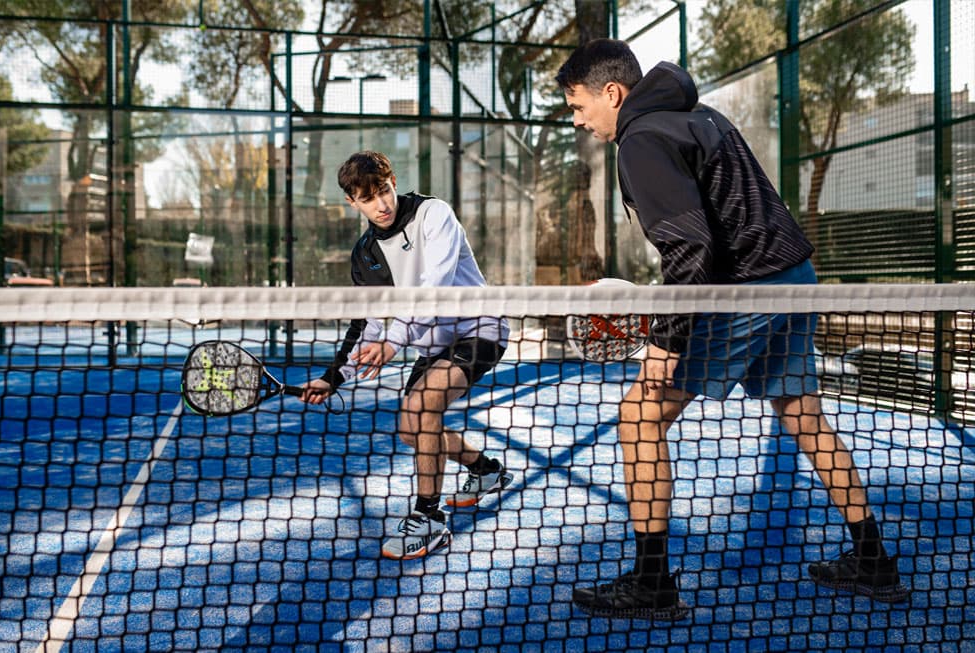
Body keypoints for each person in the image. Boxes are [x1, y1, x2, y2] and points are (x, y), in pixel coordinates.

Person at [556, 40, 910, 620]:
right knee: (802, 415)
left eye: (578, 105)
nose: (578, 119)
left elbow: (693, 246)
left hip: (746, 289)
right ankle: (874, 561)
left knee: (639, 418)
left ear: (612, 93)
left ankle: (652, 584)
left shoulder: (641, 141)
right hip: (794, 275)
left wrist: (664, 341)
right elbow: (724, 222)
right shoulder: (698, 115)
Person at [298, 151, 514, 561]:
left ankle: (429, 518)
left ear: (393, 181)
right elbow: (367, 323)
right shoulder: (366, 256)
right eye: (367, 198)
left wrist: (393, 343)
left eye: (383, 191)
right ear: (352, 203)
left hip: (478, 328)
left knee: (421, 410)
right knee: (412, 429)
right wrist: (333, 377)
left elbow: (435, 285)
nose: (380, 205)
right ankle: (486, 471)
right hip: (433, 343)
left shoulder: (433, 214)